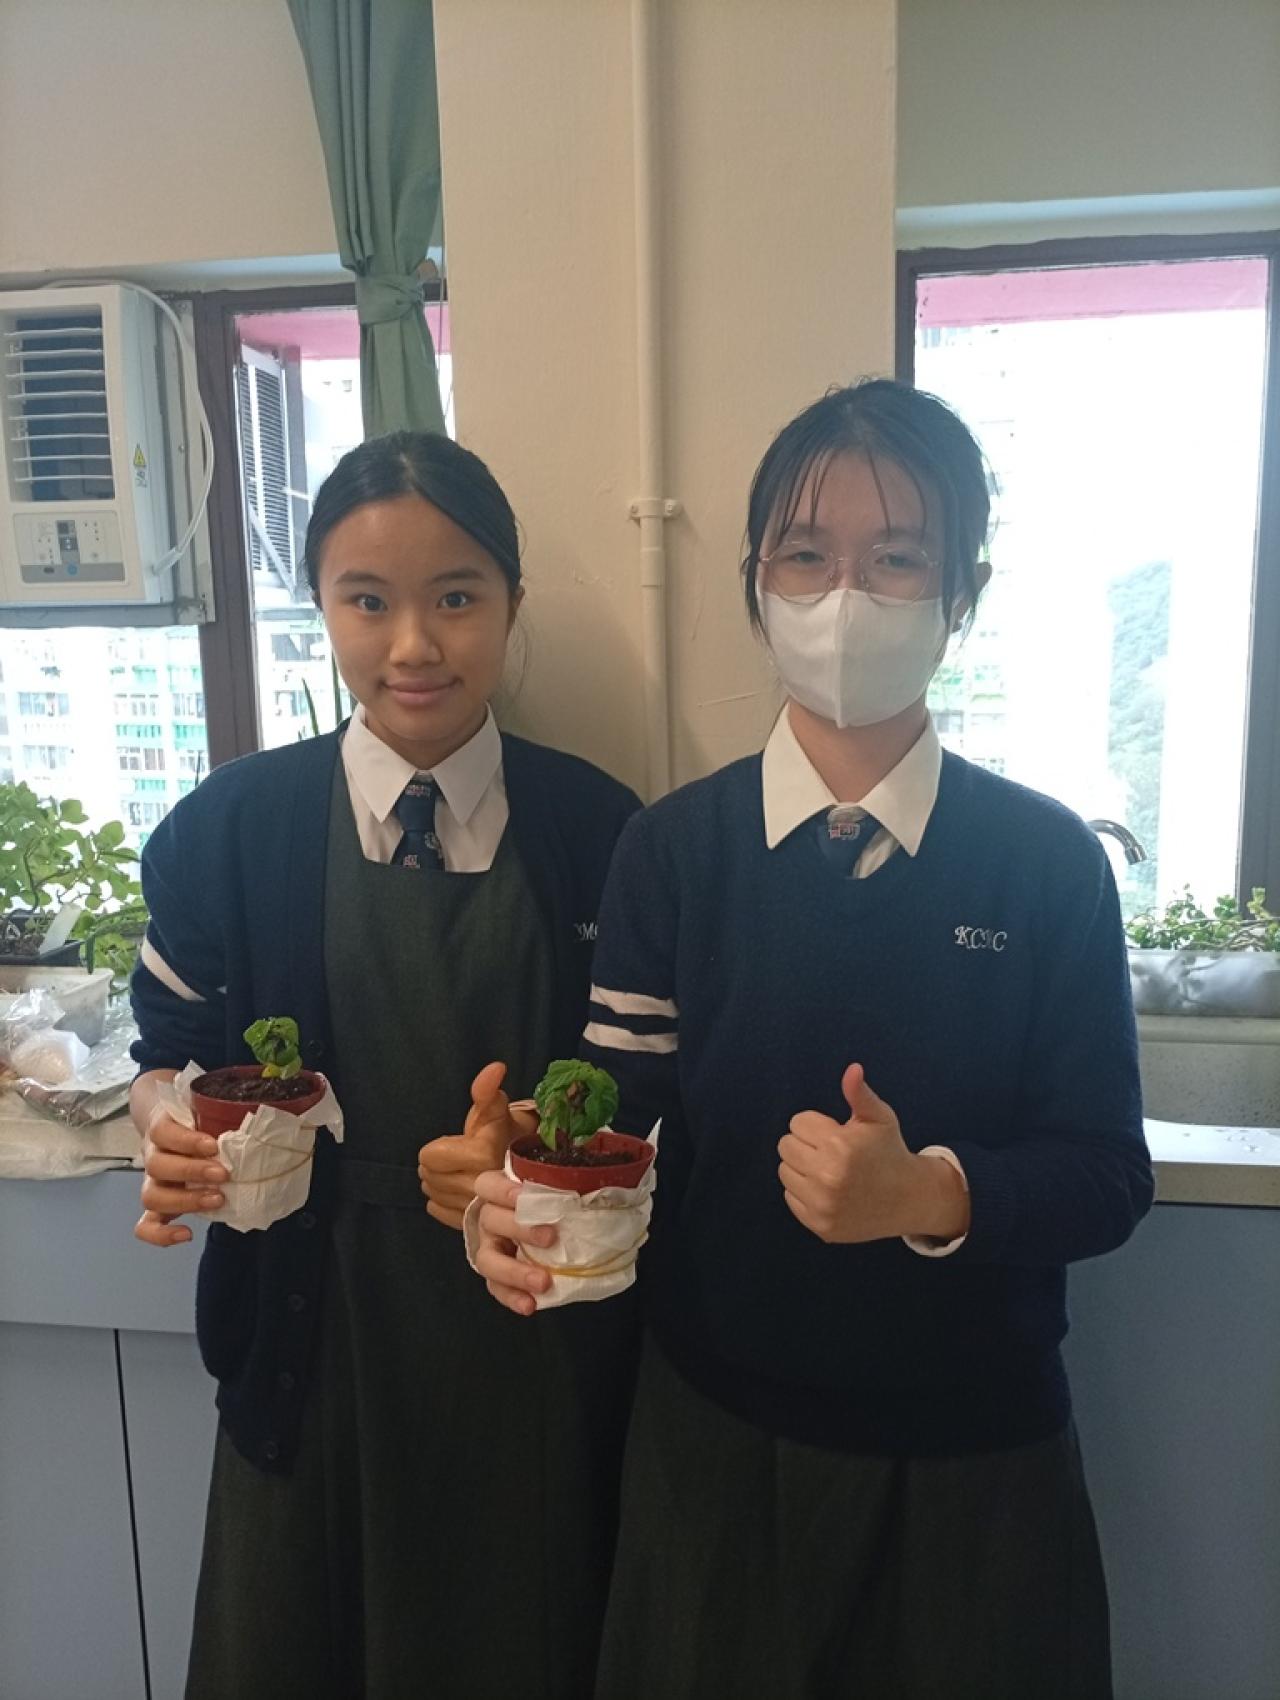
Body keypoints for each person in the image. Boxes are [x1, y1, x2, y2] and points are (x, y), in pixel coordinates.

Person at [469, 380, 1153, 1700]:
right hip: (719, 1452)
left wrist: (931, 1193)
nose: (846, 596)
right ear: (756, 583)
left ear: (962, 592)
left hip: (975, 1466)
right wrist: (525, 1182)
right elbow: (626, 1117)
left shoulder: (1046, 864)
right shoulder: (675, 851)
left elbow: (1106, 1174)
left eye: (896, 558)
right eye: (805, 554)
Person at [130, 431, 641, 1700]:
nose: (413, 644)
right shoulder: (226, 833)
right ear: (320, 605)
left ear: (510, 601)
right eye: (367, 600)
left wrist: (534, 1153)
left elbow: (643, 1102)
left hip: (527, 1355)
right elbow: (168, 1055)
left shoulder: (605, 833)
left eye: (455, 596)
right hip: (304, 1339)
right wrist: (171, 1127)